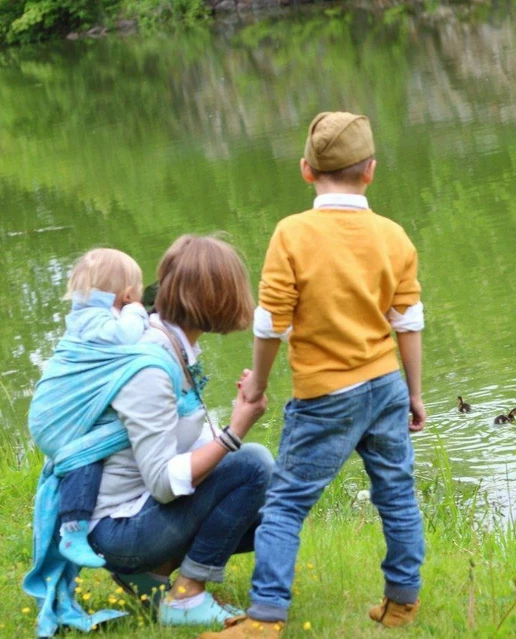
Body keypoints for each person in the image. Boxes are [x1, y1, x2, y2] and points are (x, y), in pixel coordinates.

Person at [203, 111, 427, 639]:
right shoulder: (394, 236)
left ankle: (265, 617)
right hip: (386, 384)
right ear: (371, 171)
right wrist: (414, 394)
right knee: (396, 494)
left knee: (284, 503)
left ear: (306, 170)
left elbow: (269, 322)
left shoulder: (292, 234)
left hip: (326, 393)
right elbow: (408, 322)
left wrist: (256, 386)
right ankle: (402, 602)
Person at [23, 235, 275, 637]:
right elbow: (162, 482)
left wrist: (225, 431)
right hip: (116, 531)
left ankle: (152, 577)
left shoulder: (172, 345)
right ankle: (185, 598)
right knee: (254, 464)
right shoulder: (151, 365)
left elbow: (176, 441)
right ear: (217, 299)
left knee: (271, 510)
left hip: (135, 513)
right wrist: (235, 431)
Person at [41, 248, 149, 568]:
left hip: (67, 411)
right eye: (135, 297)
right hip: (61, 415)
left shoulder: (88, 318)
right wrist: (138, 313)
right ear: (126, 295)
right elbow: (124, 338)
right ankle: (73, 528)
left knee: (94, 450)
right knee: (86, 455)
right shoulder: (94, 321)